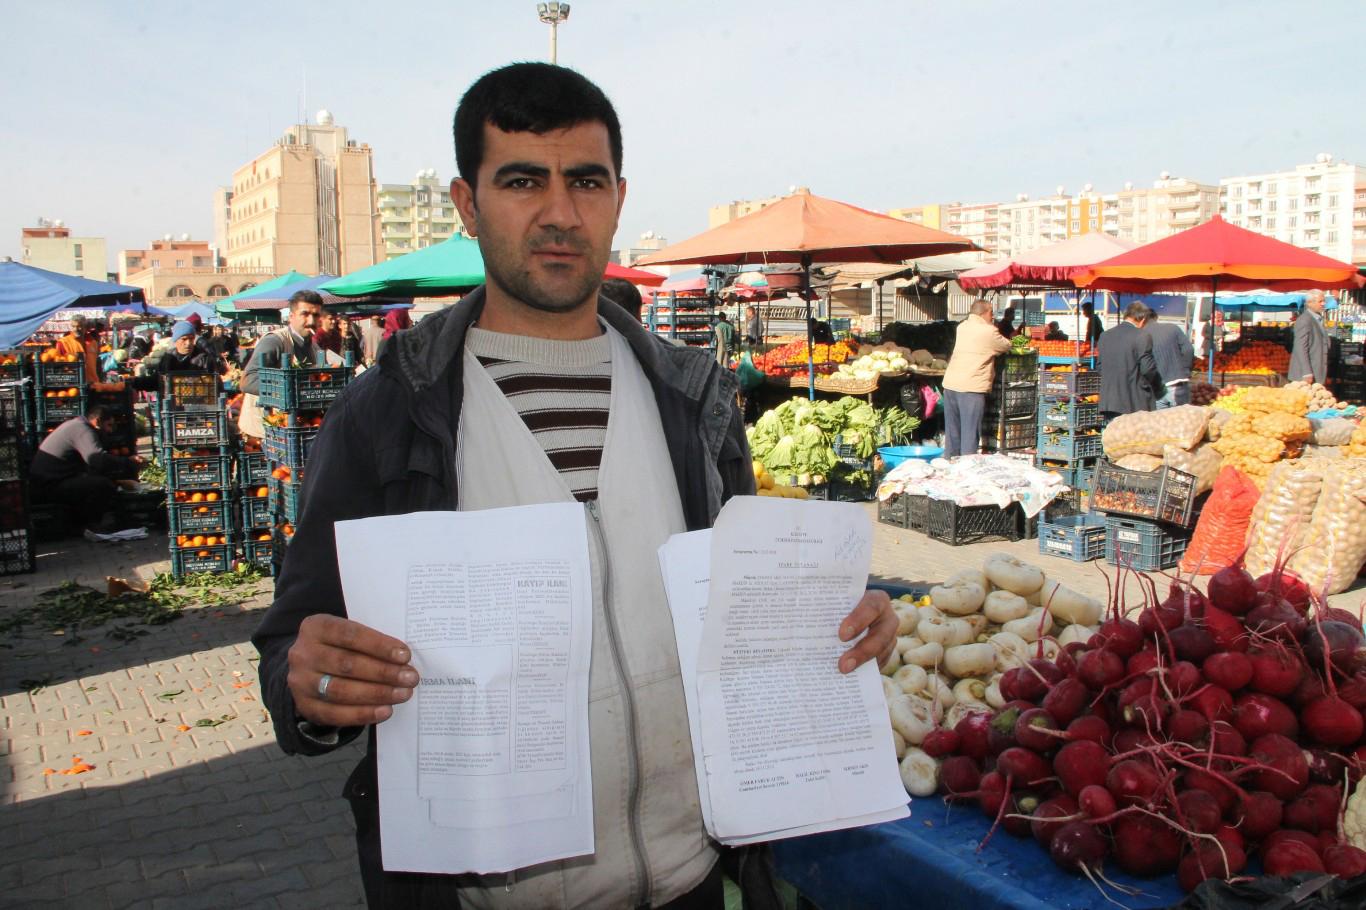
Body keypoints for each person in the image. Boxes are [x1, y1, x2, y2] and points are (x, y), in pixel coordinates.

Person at [251, 62, 896, 910]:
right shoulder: (393, 410)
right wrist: (311, 686)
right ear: (468, 203)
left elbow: (741, 613)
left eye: (585, 181)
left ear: (618, 199)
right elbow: (291, 649)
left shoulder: (693, 397)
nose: (560, 213)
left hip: (695, 882)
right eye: (522, 181)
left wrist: (840, 621)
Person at [29, 404, 144, 532]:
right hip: (48, 485)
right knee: (102, 485)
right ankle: (91, 525)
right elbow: (96, 459)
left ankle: (80, 523)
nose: (111, 430)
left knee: (98, 481)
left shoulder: (77, 425)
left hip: (53, 480)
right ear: (97, 421)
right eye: (109, 425)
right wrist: (127, 461)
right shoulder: (82, 429)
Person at [941, 299, 1012, 457]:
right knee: (970, 432)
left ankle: (950, 464)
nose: (992, 317)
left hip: (951, 384)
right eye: (991, 313)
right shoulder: (988, 331)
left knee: (952, 433)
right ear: (984, 313)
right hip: (971, 387)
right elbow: (1006, 345)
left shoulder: (962, 326)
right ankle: (967, 469)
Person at [241, 291, 324, 395]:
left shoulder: (315, 348)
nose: (311, 321)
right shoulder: (275, 341)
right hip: (268, 410)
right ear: (291, 316)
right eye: (305, 314)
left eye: (316, 315)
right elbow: (248, 381)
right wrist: (289, 385)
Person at [1097, 301, 1164, 417]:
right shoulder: (1142, 336)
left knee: (1114, 434)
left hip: (1110, 401)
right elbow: (1148, 369)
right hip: (1134, 401)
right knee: (1135, 434)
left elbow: (1099, 367)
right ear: (1142, 319)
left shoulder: (1105, 335)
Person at [131, 321, 225, 391]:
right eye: (184, 339)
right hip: (173, 408)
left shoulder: (205, 359)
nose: (188, 343)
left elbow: (217, 384)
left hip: (201, 408)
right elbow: (155, 380)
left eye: (191, 339)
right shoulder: (168, 358)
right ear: (176, 340)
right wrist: (133, 382)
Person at [1143, 314, 1195, 408]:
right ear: (1155, 317)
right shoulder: (1172, 328)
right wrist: (1185, 370)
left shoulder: (1140, 334)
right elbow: (1188, 350)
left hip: (1156, 389)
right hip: (1176, 384)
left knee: (1160, 421)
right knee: (1181, 420)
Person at [1289, 290, 1330, 385]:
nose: (1323, 304)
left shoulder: (1317, 318)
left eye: (1324, 301)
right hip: (1306, 375)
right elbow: (1300, 347)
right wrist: (1306, 372)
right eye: (1320, 301)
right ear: (1310, 303)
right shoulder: (1305, 320)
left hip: (1316, 372)